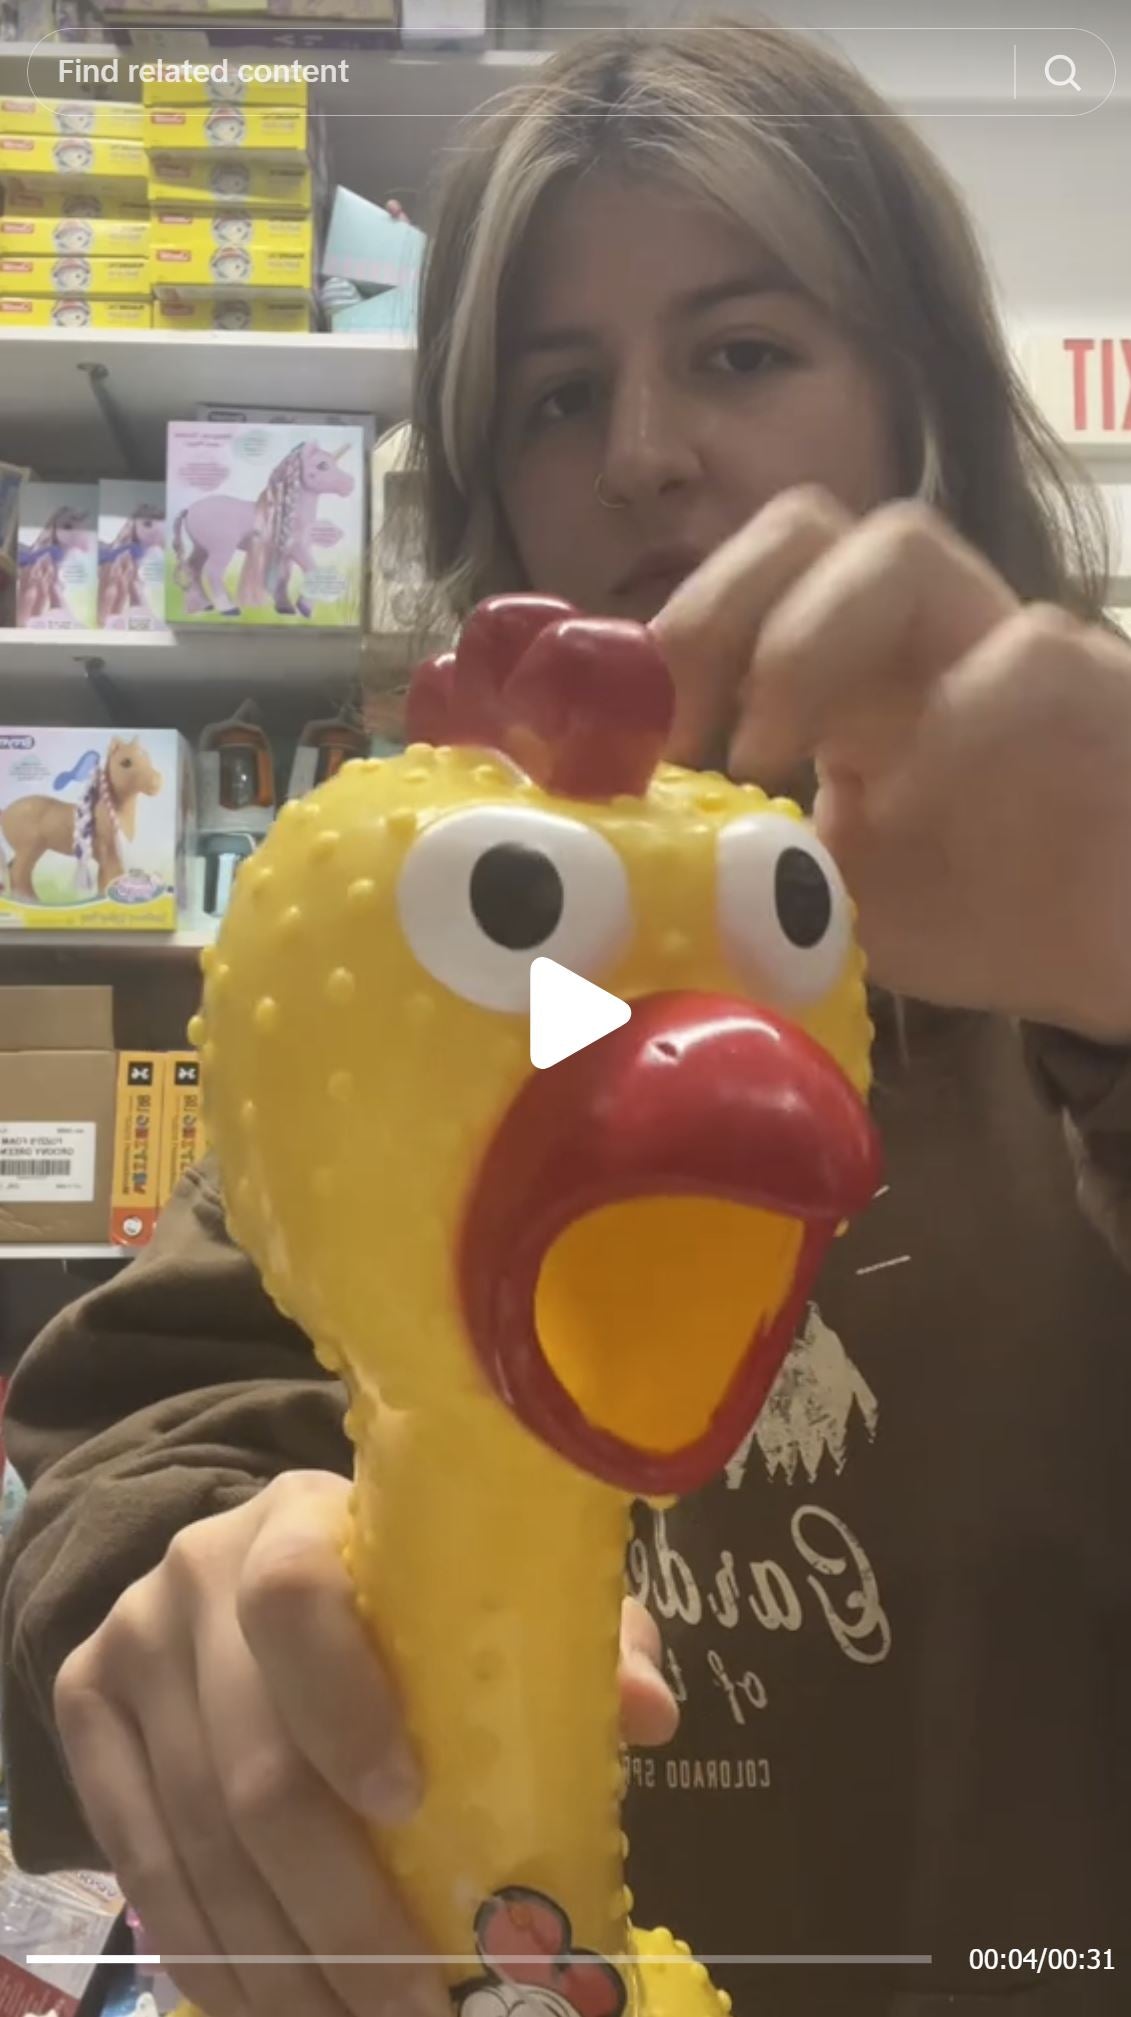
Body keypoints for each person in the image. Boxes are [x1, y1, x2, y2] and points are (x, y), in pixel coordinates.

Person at [4, 23, 1131, 2017]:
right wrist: (187, 1581)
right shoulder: (445, 969)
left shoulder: (1080, 911)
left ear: (919, 404)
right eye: (555, 394)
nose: (641, 453)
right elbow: (143, 1416)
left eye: (740, 350)